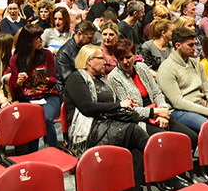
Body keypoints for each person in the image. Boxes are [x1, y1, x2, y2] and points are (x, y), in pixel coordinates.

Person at [64, 44, 152, 180]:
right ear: (89, 60)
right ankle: (160, 165)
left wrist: (124, 104)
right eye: (101, 58)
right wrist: (118, 105)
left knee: (136, 148)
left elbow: (112, 102)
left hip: (108, 121)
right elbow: (87, 108)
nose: (105, 62)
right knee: (135, 131)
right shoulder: (76, 78)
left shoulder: (102, 79)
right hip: (90, 127)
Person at [106, 39, 198, 147]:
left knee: (191, 137)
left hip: (160, 113)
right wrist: (156, 112)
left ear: (135, 55)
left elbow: (157, 93)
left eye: (128, 57)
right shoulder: (114, 77)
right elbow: (128, 110)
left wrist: (163, 111)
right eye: (120, 59)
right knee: (168, 143)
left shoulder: (142, 68)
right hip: (140, 119)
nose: (125, 62)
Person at [8, 23, 61, 147]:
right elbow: (15, 90)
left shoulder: (47, 55)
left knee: (46, 118)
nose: (41, 40)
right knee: (32, 119)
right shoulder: (15, 59)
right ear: (28, 41)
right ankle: (32, 152)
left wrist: (46, 79)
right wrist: (19, 82)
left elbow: (54, 80)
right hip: (27, 98)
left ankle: (53, 150)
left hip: (48, 95)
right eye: (38, 38)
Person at [55, 20, 97, 92]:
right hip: (69, 90)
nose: (92, 41)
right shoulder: (64, 53)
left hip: (87, 85)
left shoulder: (87, 47)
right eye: (89, 38)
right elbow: (68, 79)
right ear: (79, 34)